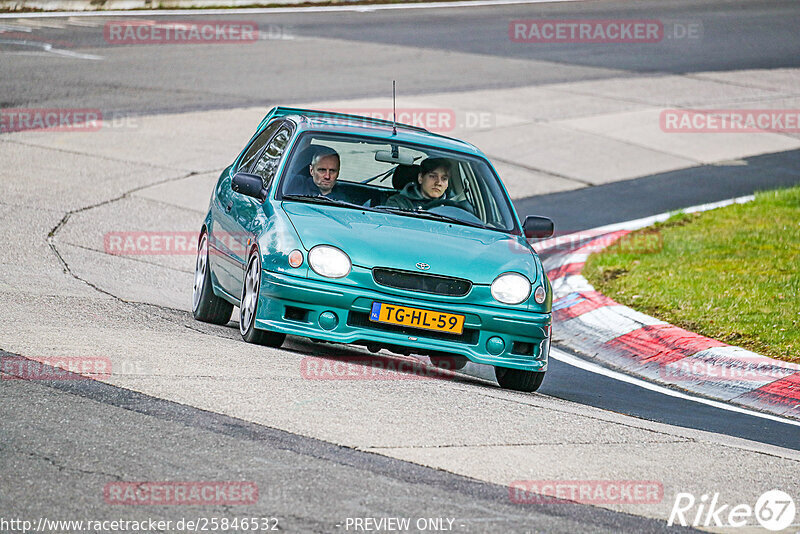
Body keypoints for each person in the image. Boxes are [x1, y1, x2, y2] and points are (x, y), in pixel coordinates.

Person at [386, 157, 463, 211]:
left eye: (444, 179)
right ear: (420, 178)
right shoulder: (398, 202)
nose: (439, 183)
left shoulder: (453, 208)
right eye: (433, 176)